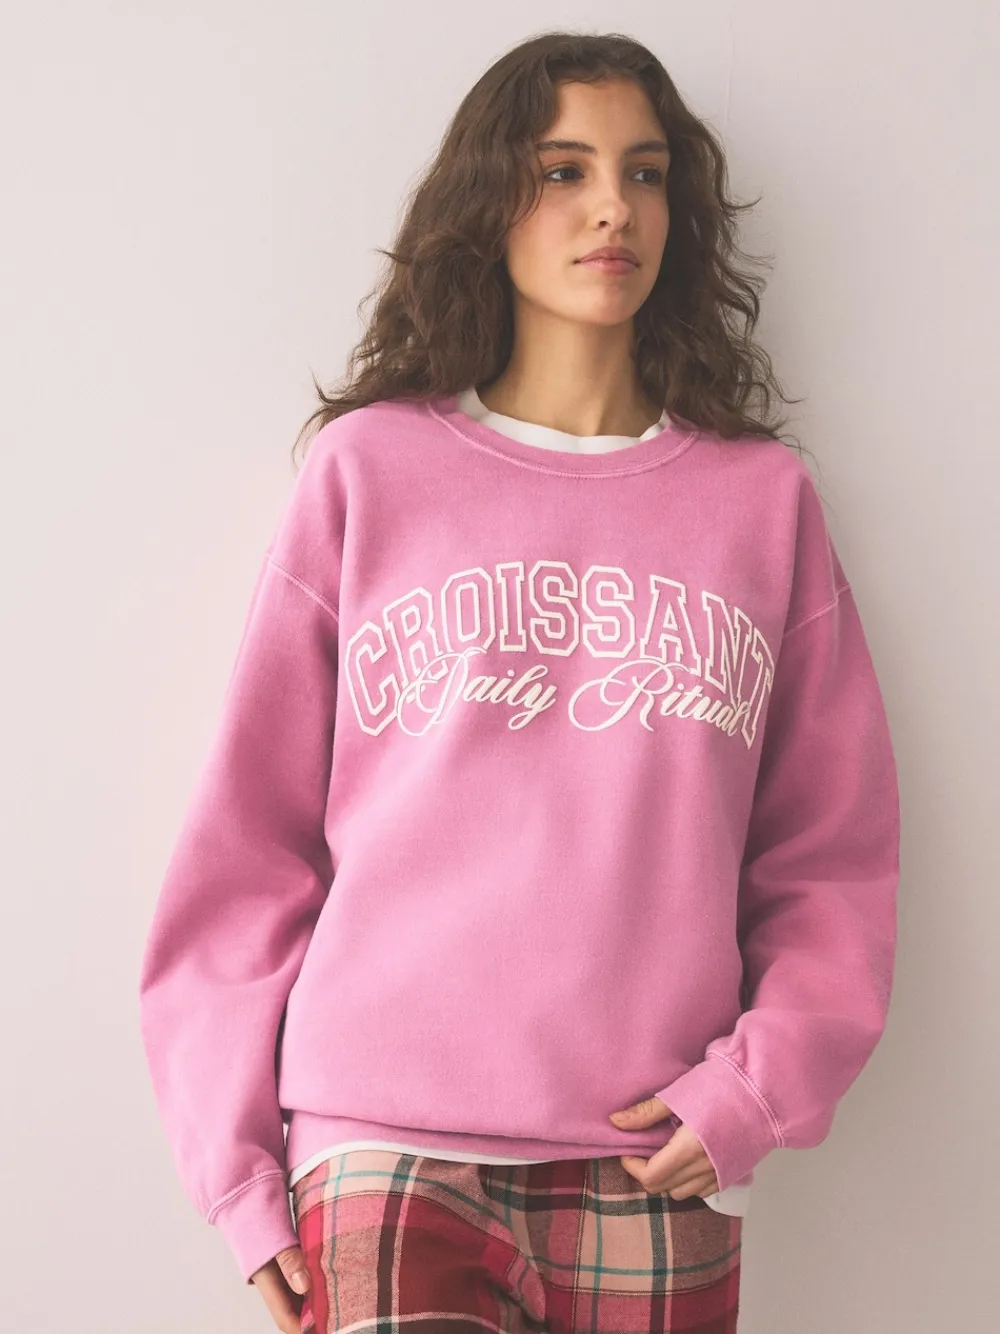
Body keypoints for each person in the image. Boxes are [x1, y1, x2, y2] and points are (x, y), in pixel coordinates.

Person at [137, 29, 900, 1334]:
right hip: (384, 1144)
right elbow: (247, 855)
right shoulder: (370, 474)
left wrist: (758, 1089)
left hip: (658, 1156)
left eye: (645, 173)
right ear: (488, 202)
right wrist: (238, 1172)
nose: (614, 207)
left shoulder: (763, 505)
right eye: (563, 171)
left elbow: (830, 859)